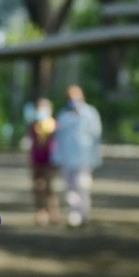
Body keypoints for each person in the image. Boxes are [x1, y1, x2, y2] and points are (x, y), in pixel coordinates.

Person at [52, 84, 102, 227]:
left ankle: (83, 213)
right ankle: (74, 214)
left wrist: (95, 156)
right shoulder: (63, 116)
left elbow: (96, 134)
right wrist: (56, 157)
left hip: (84, 158)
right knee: (70, 188)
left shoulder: (90, 113)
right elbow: (58, 138)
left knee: (83, 186)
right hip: (67, 158)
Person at [24, 97, 59, 224]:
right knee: (37, 187)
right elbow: (32, 143)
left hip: (49, 160)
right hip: (36, 160)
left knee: (48, 187)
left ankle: (54, 213)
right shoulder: (34, 125)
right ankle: (40, 212)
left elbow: (51, 142)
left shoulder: (54, 124)